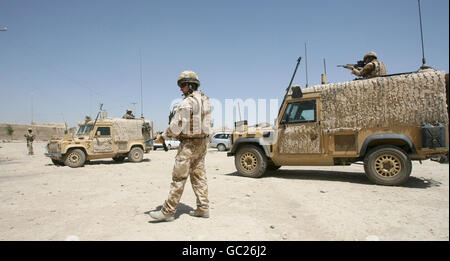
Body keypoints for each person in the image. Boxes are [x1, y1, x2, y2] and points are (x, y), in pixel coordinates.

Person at [150, 70, 211, 222]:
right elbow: (208, 125)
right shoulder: (205, 101)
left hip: (188, 146)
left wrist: (163, 137)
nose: (181, 89)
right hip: (201, 144)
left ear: (190, 86)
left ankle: (168, 212)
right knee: (199, 177)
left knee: (179, 178)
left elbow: (176, 127)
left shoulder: (186, 103)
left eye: (183, 85)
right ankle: (203, 208)